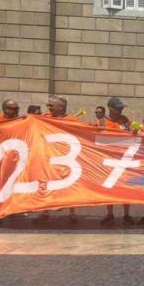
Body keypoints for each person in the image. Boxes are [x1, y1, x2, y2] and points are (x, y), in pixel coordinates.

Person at [33, 95, 82, 224]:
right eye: (48, 105)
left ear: (60, 107)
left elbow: (84, 132)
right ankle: (45, 211)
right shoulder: (45, 118)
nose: (48, 108)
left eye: (51, 105)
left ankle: (72, 212)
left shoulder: (72, 120)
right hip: (49, 159)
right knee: (46, 183)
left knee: (70, 186)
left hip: (66, 160)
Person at [100, 97, 134, 226]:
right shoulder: (102, 121)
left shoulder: (125, 120)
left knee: (126, 188)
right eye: (118, 108)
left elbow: (132, 134)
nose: (121, 110)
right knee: (109, 187)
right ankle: (110, 214)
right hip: (109, 160)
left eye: (121, 108)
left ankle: (126, 214)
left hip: (124, 159)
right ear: (110, 108)